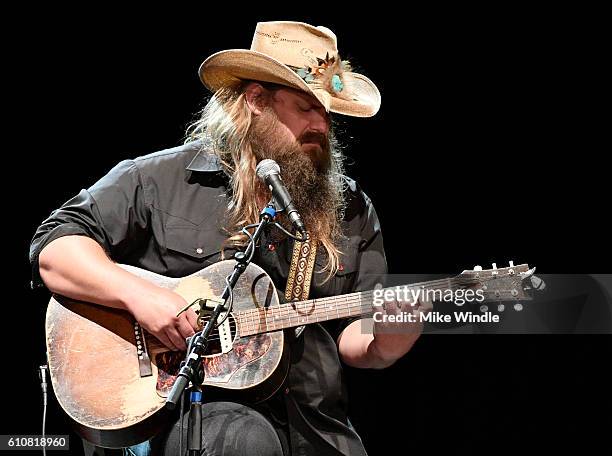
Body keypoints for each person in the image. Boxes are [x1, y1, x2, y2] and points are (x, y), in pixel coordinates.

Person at [30, 21, 423, 456]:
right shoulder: (161, 179)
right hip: (184, 416)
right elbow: (55, 251)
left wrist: (394, 335)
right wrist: (141, 296)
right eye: (306, 107)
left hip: (312, 427)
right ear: (256, 100)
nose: (321, 126)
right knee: (244, 440)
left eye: (328, 114)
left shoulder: (347, 207)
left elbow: (357, 342)